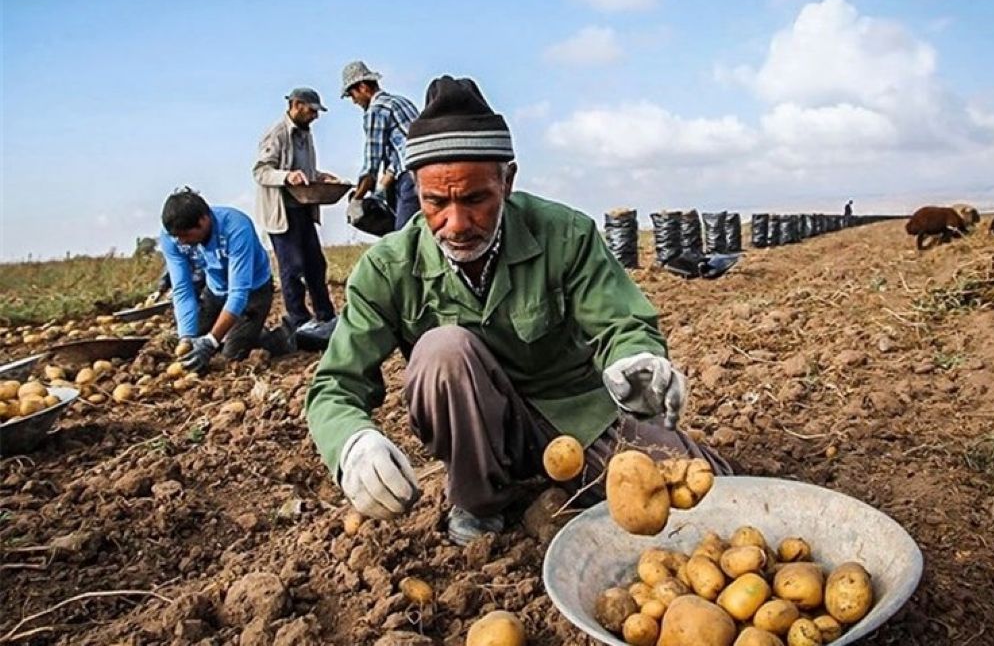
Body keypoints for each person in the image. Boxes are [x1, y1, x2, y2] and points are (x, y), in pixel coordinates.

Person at [306, 76, 731, 545]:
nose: (457, 223)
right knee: (443, 349)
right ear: (416, 190)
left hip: (574, 416)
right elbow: (336, 384)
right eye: (436, 202)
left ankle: (566, 483)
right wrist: (351, 443)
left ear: (507, 181)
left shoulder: (564, 234)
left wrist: (635, 360)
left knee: (707, 494)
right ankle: (480, 500)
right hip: (477, 433)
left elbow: (622, 323)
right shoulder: (388, 268)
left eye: (475, 199)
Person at [161, 188, 292, 372]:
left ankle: (278, 338)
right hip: (216, 290)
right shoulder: (172, 238)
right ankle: (243, 329)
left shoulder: (236, 228)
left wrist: (211, 340)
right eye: (177, 238)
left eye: (186, 236)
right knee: (192, 344)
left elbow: (239, 293)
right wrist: (187, 337)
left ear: (203, 221)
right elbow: (182, 288)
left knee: (231, 356)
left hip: (252, 291)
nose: (181, 242)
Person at [253, 87, 338, 334]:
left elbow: (305, 172)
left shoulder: (305, 135)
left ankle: (326, 316)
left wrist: (320, 176)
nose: (315, 116)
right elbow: (261, 171)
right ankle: (299, 321)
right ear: (297, 105)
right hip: (281, 213)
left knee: (315, 264)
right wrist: (287, 176)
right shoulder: (277, 134)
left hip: (302, 208)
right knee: (293, 268)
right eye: (312, 111)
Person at [340, 61, 421, 229]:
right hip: (428, 171)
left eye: (352, 94)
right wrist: (382, 188)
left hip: (411, 178)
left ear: (362, 87)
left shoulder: (376, 110)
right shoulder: (401, 101)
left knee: (404, 237)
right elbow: (402, 151)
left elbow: (371, 165)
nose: (354, 101)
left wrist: (357, 200)